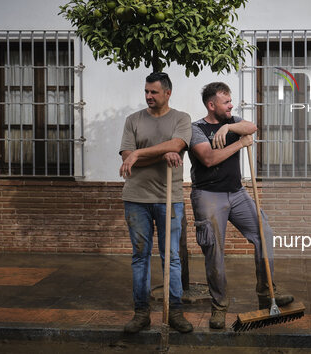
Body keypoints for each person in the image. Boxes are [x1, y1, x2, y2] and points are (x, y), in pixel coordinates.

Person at [188, 82, 294, 329]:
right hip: (208, 195)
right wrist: (239, 143)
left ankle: (267, 294)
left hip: (237, 194)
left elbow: (252, 127)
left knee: (264, 234)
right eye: (226, 102)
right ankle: (219, 307)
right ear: (211, 105)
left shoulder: (232, 121)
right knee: (214, 252)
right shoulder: (196, 129)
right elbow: (208, 158)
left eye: (230, 101)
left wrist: (230, 126)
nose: (231, 105)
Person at [118, 72, 193, 334]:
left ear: (167, 93)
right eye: (147, 92)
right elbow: (128, 156)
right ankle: (141, 313)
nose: (148, 96)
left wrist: (139, 153)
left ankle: (174, 311)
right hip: (136, 199)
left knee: (171, 257)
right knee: (140, 256)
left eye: (154, 92)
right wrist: (162, 153)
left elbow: (178, 143)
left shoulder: (181, 118)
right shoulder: (133, 120)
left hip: (168, 199)